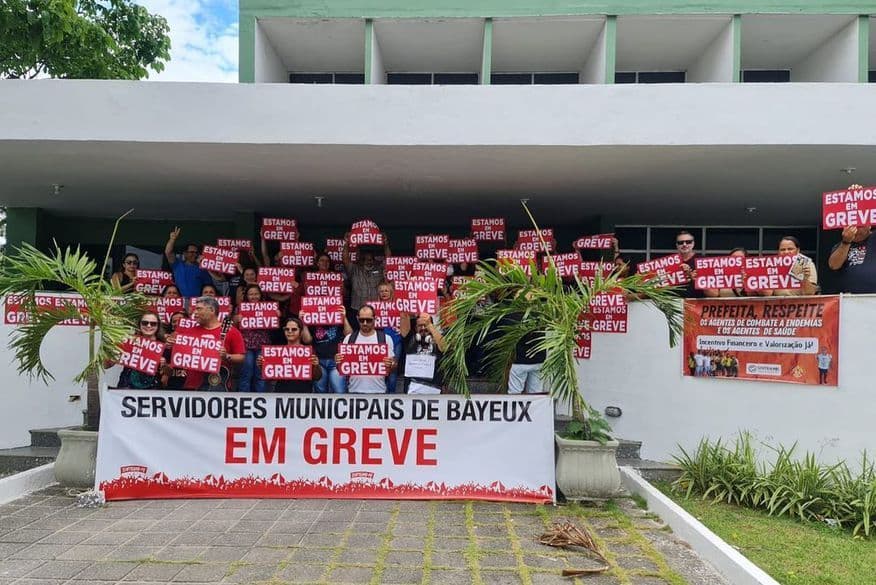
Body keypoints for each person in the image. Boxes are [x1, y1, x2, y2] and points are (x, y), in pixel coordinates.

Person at [174, 296, 245, 391]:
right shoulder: (188, 332)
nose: (195, 313)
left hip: (217, 386)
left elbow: (241, 357)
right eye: (195, 309)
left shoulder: (232, 332)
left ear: (212, 310)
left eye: (199, 309)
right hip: (191, 387)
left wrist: (226, 356)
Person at [335, 305, 396, 394]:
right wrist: (338, 362)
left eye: (369, 320)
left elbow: (393, 366)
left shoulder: (385, 339)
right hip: (354, 391)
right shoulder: (349, 339)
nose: (365, 323)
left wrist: (391, 364)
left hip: (379, 391)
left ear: (375, 319)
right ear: (357, 319)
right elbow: (341, 368)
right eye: (361, 320)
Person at [257, 317, 322, 393]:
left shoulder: (308, 351)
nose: (290, 331)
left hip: (303, 393)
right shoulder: (277, 352)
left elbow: (317, 377)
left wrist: (316, 365)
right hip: (281, 393)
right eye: (287, 329)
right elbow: (270, 379)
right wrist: (262, 366)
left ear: (301, 332)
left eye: (294, 329)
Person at [234, 284, 276, 393]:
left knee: (260, 374)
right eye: (251, 294)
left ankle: (261, 398)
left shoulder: (268, 307)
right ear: (247, 296)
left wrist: (276, 315)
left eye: (256, 294)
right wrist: (236, 319)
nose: (254, 296)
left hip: (263, 345)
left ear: (260, 295)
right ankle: (243, 398)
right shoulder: (240, 308)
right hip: (246, 345)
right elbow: (233, 327)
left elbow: (274, 326)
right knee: (246, 373)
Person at [302, 307, 352, 394]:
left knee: (340, 391)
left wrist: (344, 317)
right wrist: (304, 322)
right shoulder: (313, 318)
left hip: (336, 362)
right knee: (320, 393)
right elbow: (307, 340)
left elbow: (349, 336)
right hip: (319, 362)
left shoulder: (338, 317)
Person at [109, 311, 165, 389]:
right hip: (126, 389)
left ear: (158, 326)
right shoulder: (128, 341)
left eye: (153, 324)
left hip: (153, 391)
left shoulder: (164, 345)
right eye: (145, 323)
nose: (148, 326)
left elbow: (168, 373)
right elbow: (106, 365)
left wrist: (164, 365)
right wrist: (113, 355)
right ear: (139, 325)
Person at [343, 233, 391, 318]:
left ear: (374, 260)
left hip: (375, 308)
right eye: (365, 259)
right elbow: (345, 259)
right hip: (357, 308)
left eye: (370, 259)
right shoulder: (354, 269)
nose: (368, 261)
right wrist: (346, 243)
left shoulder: (379, 269)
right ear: (361, 260)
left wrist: (386, 244)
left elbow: (389, 260)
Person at [402, 313, 447, 394]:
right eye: (420, 325)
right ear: (415, 328)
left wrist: (429, 325)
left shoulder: (437, 340)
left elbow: (444, 348)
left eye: (425, 325)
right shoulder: (411, 339)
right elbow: (403, 316)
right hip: (412, 390)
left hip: (434, 389)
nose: (423, 328)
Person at [828, 220, 876, 293]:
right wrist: (846, 242)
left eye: (859, 226)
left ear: (869, 226)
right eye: (851, 226)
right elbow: (833, 265)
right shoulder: (841, 246)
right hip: (850, 296)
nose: (855, 229)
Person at [374, 281, 405, 393]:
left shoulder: (398, 307)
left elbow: (405, 323)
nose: (384, 293)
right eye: (381, 291)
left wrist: (401, 329)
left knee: (393, 369)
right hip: (379, 342)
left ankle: (391, 395)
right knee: (379, 368)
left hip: (395, 341)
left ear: (391, 293)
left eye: (386, 291)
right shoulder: (373, 308)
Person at [164, 227, 213, 297]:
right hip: (180, 300)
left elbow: (208, 287)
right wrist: (172, 240)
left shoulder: (202, 268)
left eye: (196, 252)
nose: (195, 254)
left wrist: (204, 264)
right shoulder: (178, 265)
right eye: (192, 252)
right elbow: (168, 252)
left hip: (197, 301)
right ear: (185, 254)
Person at [675, 230, 702, 298]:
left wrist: (691, 275)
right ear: (677, 245)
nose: (684, 244)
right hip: (675, 300)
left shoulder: (702, 261)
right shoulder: (670, 262)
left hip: (698, 300)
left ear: (693, 244)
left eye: (688, 242)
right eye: (680, 243)